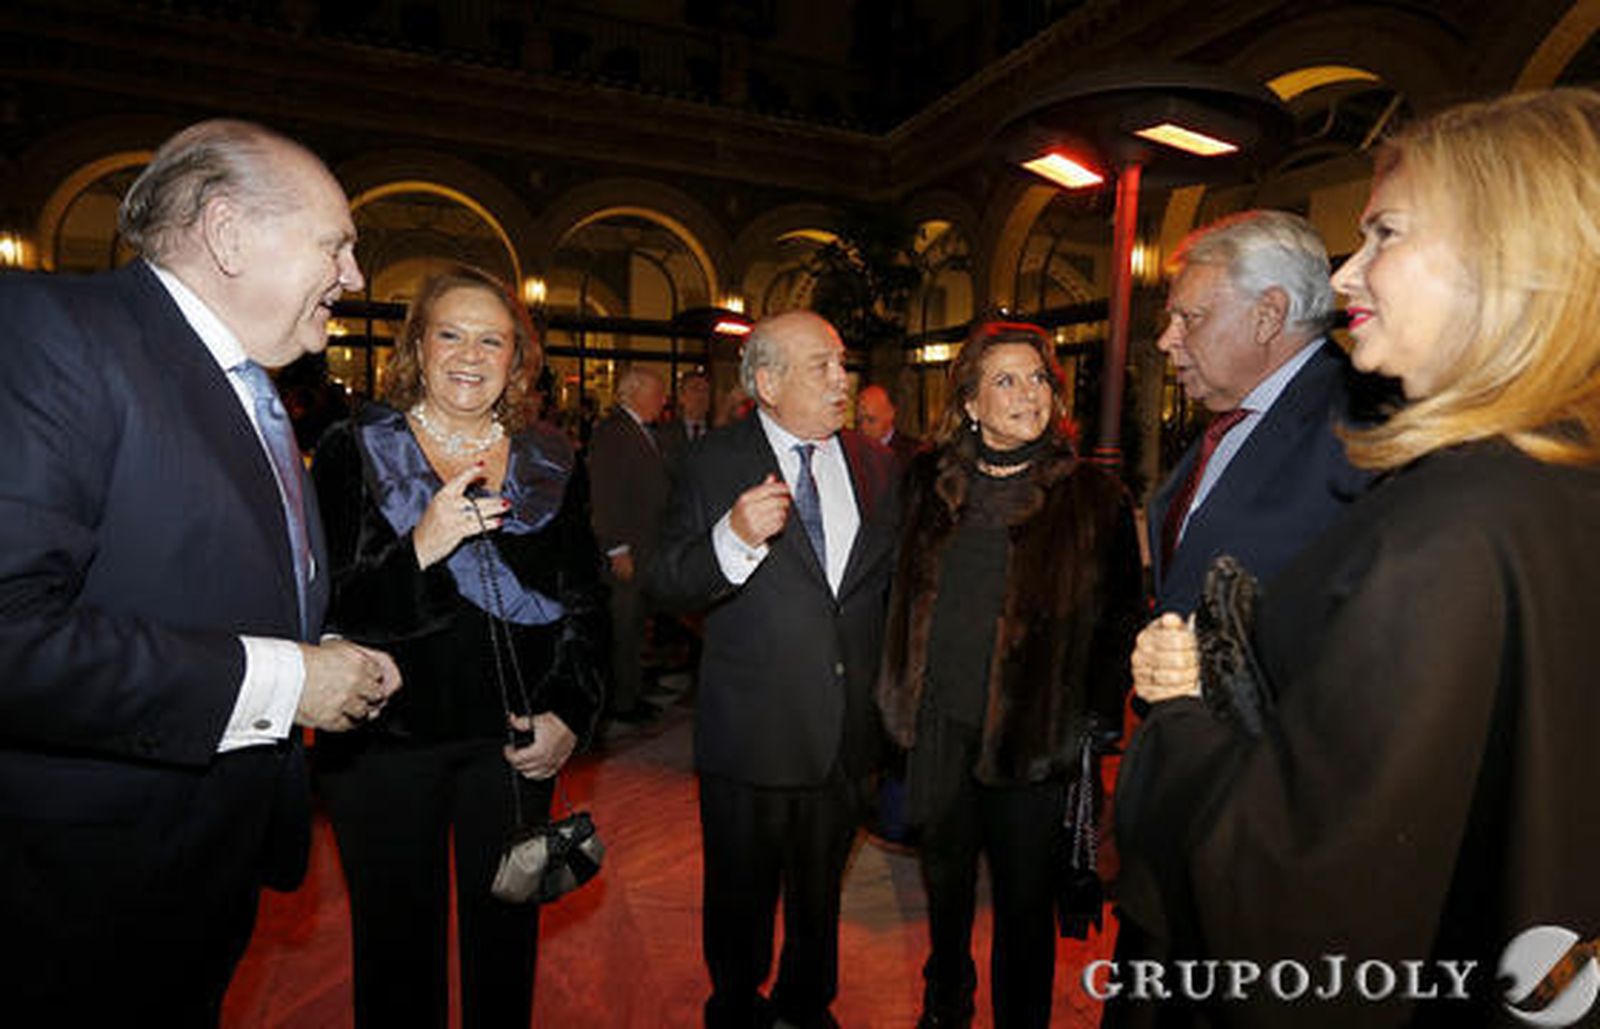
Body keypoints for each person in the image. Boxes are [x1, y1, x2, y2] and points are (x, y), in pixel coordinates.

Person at [1118, 88, 1600, 1027]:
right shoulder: (1549, 483)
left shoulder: (1450, 525)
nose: (1345, 275)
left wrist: (1178, 715)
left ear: (1509, 258)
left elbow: (1298, 901)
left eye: (1386, 234)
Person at [0, 119, 400, 1024]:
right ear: (227, 232)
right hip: (72, 896)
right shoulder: (53, 333)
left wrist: (322, 648)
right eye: (335, 245)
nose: (353, 276)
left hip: (195, 865)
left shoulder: (244, 382)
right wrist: (288, 679)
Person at [310, 265, 604, 1028]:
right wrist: (422, 546)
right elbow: (327, 609)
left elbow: (586, 599)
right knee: (396, 951)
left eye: (492, 340)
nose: (470, 355)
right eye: (450, 334)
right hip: (383, 743)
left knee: (505, 942)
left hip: (510, 745)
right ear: (417, 346)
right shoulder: (354, 448)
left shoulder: (552, 455)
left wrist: (569, 712)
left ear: (517, 358)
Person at [875, 323, 1142, 1029]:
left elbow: (1121, 619)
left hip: (1034, 742)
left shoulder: (1094, 496)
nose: (1029, 394)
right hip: (938, 729)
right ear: (969, 402)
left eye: (1038, 378)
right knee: (944, 892)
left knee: (1025, 908)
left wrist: (1091, 721)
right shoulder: (924, 484)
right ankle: (946, 1004)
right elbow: (891, 595)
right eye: (1006, 380)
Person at [648, 310, 901, 1028]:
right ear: (766, 381)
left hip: (845, 734)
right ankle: (735, 1003)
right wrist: (731, 537)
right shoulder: (711, 461)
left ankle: (806, 1000)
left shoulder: (877, 464)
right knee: (741, 895)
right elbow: (665, 582)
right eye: (822, 366)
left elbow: (889, 588)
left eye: (842, 363)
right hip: (752, 734)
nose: (841, 380)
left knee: (820, 894)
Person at [1146, 210, 1377, 616]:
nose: (1166, 341)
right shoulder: (1233, 418)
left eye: (1189, 318)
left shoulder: (1360, 427)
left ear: (1268, 316)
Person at [587, 363, 672, 723]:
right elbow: (604, 496)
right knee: (623, 627)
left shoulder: (639, 429)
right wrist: (617, 549)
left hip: (644, 546)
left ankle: (631, 692)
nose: (663, 400)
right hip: (626, 551)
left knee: (635, 626)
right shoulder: (615, 432)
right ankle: (621, 702)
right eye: (658, 393)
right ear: (635, 393)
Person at [856, 382, 922, 475]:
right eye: (859, 421)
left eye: (871, 420)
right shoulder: (854, 452)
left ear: (890, 414)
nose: (864, 428)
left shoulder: (913, 454)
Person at [660, 369, 715, 464]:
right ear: (681, 397)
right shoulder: (665, 434)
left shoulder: (717, 432)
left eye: (705, 390)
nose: (701, 395)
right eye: (694, 389)